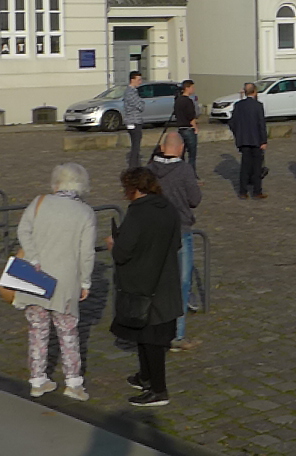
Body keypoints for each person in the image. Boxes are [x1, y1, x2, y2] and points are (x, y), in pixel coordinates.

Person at [16, 163, 97, 400]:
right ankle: (73, 383)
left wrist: (33, 257)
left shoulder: (39, 202)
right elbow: (87, 253)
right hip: (65, 282)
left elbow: (23, 230)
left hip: (35, 278)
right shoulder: (85, 213)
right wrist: (86, 282)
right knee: (68, 331)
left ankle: (37, 380)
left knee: (37, 330)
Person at [109, 165, 181, 407]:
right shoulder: (168, 208)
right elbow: (177, 243)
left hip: (142, 285)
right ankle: (145, 376)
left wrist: (113, 244)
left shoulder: (137, 213)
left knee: (150, 339)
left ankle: (158, 390)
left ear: (133, 189)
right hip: (166, 281)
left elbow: (123, 252)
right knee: (146, 335)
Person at [149, 130, 201, 345]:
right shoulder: (184, 169)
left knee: (155, 282)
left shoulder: (148, 170)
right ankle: (177, 334)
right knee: (182, 282)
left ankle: (154, 329)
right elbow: (195, 199)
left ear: (162, 148)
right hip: (180, 230)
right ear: (180, 149)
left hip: (153, 231)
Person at [230, 83, 271, 200]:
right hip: (256, 140)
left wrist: (238, 134)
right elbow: (261, 124)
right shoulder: (258, 105)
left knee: (245, 166)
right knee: (257, 167)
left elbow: (232, 122)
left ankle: (243, 192)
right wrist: (264, 140)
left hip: (243, 140)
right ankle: (257, 191)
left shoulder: (238, 105)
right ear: (255, 92)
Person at [172, 79, 201, 174]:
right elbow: (191, 116)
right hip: (188, 129)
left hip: (180, 129)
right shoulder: (188, 101)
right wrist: (195, 128)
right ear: (187, 88)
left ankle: (181, 172)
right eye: (192, 87)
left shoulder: (178, 100)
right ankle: (191, 174)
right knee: (192, 155)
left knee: (181, 154)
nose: (193, 89)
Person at [120, 71, 149, 164]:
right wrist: (141, 103)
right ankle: (133, 166)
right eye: (138, 80)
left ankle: (135, 165)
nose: (140, 82)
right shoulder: (130, 92)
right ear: (132, 80)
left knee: (136, 145)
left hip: (134, 121)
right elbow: (140, 105)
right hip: (133, 121)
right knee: (135, 146)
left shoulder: (133, 91)